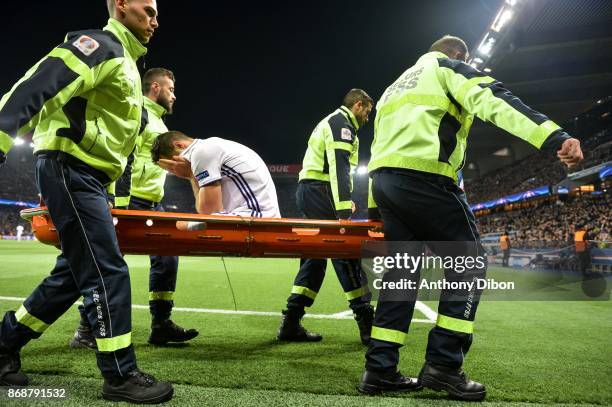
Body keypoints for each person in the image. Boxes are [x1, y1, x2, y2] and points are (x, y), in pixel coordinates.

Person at [358, 35, 583, 400]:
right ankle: (443, 366)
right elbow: (494, 100)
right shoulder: (448, 67)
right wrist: (553, 135)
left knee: (401, 274)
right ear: (460, 55)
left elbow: (379, 147)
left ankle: (379, 370)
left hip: (385, 185)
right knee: (469, 262)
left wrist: (373, 206)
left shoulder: (392, 88)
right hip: (426, 179)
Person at [0, 0, 174, 403]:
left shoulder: (128, 64)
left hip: (90, 178)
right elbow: (36, 85)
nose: (155, 19)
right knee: (107, 270)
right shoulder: (98, 46)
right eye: (147, 10)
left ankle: (5, 343)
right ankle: (119, 374)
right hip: (70, 168)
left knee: (71, 276)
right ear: (120, 5)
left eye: (156, 12)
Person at [70, 68, 199, 350]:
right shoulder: (138, 114)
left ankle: (161, 324)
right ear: (154, 88)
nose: (174, 95)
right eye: (170, 89)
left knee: (167, 257)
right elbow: (124, 158)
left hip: (154, 202)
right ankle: (86, 329)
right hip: (133, 201)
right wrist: (121, 203)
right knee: (108, 261)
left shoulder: (160, 124)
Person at [277, 89, 375, 344]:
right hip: (320, 191)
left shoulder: (335, 121)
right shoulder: (341, 123)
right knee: (346, 253)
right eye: (367, 110)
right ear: (358, 105)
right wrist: (343, 210)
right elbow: (339, 167)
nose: (368, 116)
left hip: (312, 190)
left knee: (315, 259)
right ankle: (367, 321)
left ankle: (291, 321)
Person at [151, 131, 280, 220]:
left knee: (177, 225)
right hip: (259, 214)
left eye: (173, 164)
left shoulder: (200, 152)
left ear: (179, 145)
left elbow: (209, 212)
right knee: (179, 224)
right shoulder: (211, 145)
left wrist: (191, 175)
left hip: (255, 217)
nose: (175, 170)